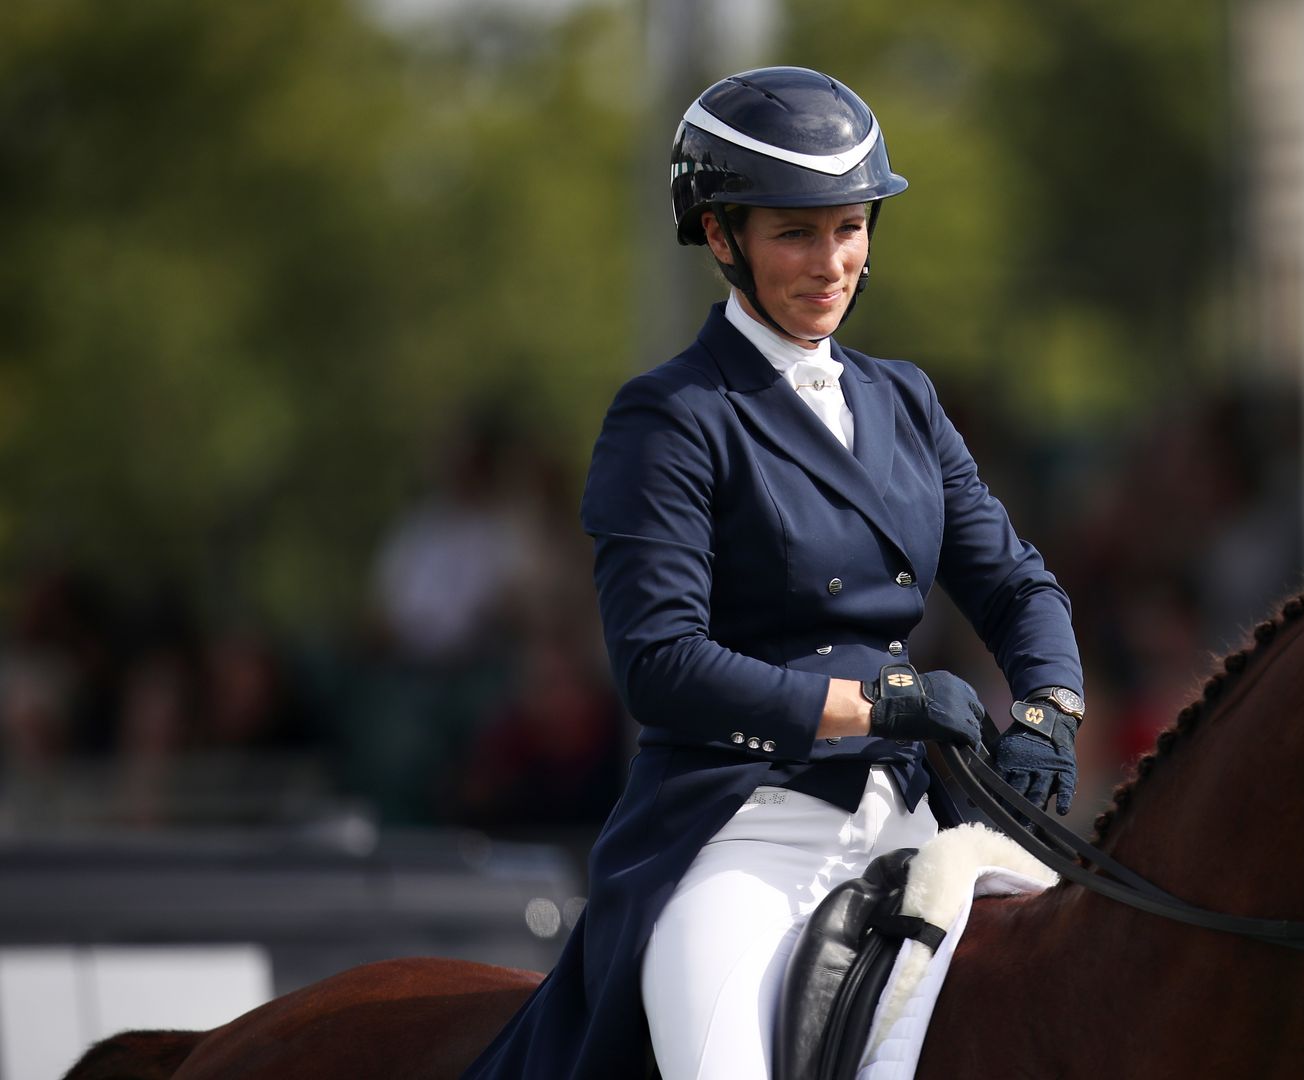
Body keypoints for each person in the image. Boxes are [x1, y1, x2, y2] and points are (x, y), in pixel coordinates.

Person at [463, 66, 1086, 1080]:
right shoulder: (673, 416)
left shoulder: (906, 403)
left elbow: (1017, 585)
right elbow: (661, 663)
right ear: (721, 236)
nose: (832, 262)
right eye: (796, 233)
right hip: (743, 831)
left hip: (920, 822)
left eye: (850, 227)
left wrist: (1051, 704)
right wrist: (881, 707)